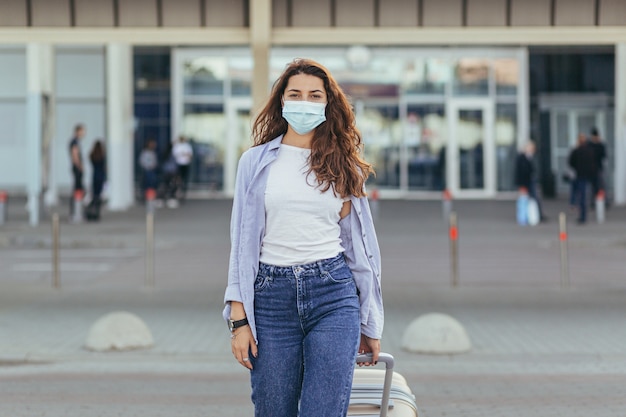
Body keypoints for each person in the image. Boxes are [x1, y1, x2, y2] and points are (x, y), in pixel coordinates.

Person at [223, 58, 383, 417]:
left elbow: (361, 254)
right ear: (282, 101)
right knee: (273, 408)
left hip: (333, 295)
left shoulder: (346, 165)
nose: (305, 102)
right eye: (295, 94)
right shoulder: (255, 162)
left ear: (328, 104)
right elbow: (241, 246)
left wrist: (370, 322)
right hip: (270, 300)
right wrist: (239, 320)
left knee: (323, 411)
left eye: (314, 95)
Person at [568, 133, 597, 224]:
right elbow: (593, 164)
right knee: (583, 196)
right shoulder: (589, 151)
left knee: (579, 195)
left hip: (579, 175)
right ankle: (583, 215)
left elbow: (570, 162)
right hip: (585, 176)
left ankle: (581, 214)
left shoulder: (576, 151)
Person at [514, 141, 545, 221]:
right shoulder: (521, 158)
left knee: (535, 198)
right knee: (525, 199)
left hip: (531, 181)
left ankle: (537, 215)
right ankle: (525, 217)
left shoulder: (533, 157)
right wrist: (521, 184)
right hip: (525, 182)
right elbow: (520, 172)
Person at [86, 140, 106, 221]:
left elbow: (89, 158)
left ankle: (91, 211)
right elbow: (104, 167)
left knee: (94, 195)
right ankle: (96, 213)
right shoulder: (102, 155)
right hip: (100, 176)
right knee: (98, 196)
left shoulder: (92, 155)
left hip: (94, 176)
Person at [68, 124, 85, 214]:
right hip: (77, 168)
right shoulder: (74, 142)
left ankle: (76, 211)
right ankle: (76, 211)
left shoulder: (76, 141)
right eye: (82, 131)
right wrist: (80, 166)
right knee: (78, 188)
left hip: (76, 168)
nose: (83, 133)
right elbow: (75, 155)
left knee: (78, 188)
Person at [588, 127, 607, 206]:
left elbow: (604, 155)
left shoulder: (600, 145)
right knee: (593, 187)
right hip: (591, 169)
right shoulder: (589, 145)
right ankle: (593, 202)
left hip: (599, 168)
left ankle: (603, 201)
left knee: (601, 186)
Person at [172, 135, 193, 201]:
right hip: (178, 164)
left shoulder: (187, 146)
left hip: (185, 164)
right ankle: (176, 191)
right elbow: (175, 154)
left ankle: (183, 192)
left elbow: (190, 154)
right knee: (177, 179)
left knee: (184, 178)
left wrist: (184, 155)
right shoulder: (177, 146)